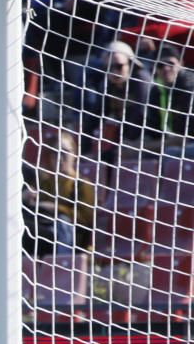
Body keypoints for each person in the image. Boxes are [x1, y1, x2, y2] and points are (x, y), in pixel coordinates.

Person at [23, 129, 95, 257]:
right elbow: (35, 205)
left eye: (65, 153)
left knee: (21, 230)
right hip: (43, 227)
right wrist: (27, 199)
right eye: (55, 153)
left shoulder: (81, 184)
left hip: (64, 236)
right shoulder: (45, 182)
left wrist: (57, 209)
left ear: (75, 154)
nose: (60, 158)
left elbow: (86, 219)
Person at [81, 40, 155, 163]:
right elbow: (93, 119)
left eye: (119, 66)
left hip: (151, 139)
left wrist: (127, 145)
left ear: (130, 64)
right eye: (109, 67)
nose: (114, 72)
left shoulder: (142, 81)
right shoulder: (108, 86)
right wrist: (85, 151)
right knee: (97, 160)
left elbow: (141, 115)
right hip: (128, 142)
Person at [148, 43, 194, 156]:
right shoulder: (156, 91)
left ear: (181, 63)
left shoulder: (190, 86)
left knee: (169, 153)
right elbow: (152, 130)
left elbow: (184, 137)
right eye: (160, 65)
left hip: (188, 142)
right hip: (171, 142)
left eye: (170, 63)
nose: (166, 69)